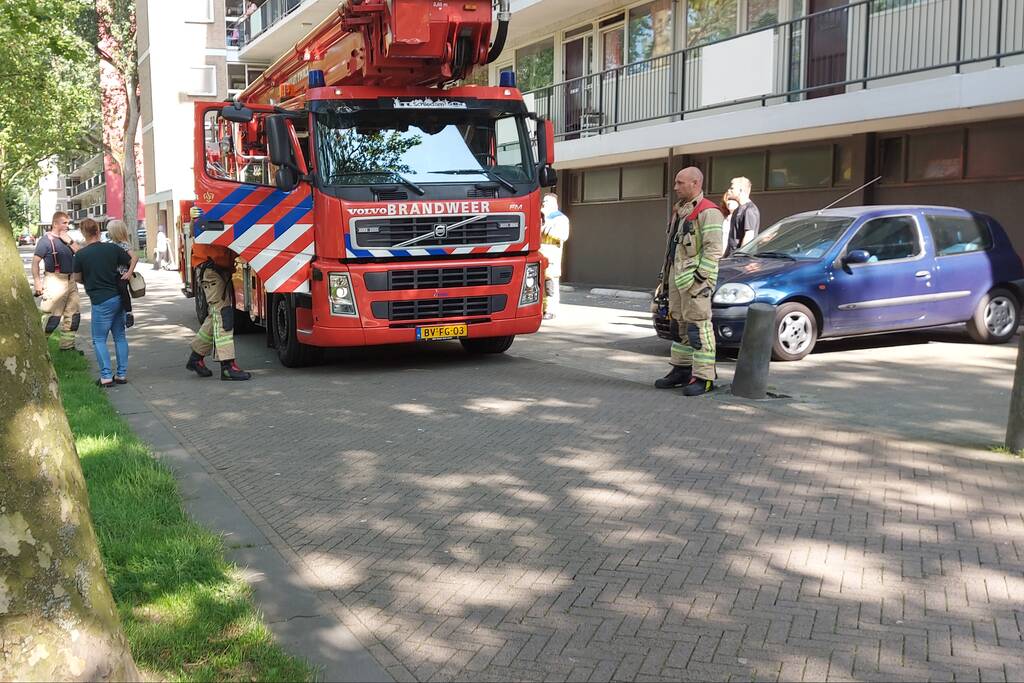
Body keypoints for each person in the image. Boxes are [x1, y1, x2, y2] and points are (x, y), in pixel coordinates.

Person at [654, 167, 725, 396]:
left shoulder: (709, 212)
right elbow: (673, 249)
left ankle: (704, 377)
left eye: (679, 182)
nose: (675, 187)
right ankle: (681, 370)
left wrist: (700, 278)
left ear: (695, 183)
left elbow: (714, 250)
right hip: (678, 278)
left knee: (698, 327)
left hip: (694, 282)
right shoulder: (681, 211)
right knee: (679, 325)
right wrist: (665, 279)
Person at [71, 219, 134, 387]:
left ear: (83, 233)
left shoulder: (81, 255)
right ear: (98, 231)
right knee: (120, 336)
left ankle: (106, 376)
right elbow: (131, 260)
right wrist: (127, 274)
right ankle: (121, 374)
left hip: (100, 300)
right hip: (118, 297)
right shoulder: (113, 248)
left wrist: (89, 281)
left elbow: (77, 278)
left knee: (99, 339)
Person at [186, 258, 252, 381]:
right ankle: (227, 366)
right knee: (223, 315)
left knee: (215, 315)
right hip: (213, 269)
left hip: (215, 268)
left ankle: (196, 358)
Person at [32, 211, 83, 354]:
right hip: (54, 281)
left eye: (68, 223)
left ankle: (67, 347)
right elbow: (35, 262)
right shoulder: (45, 241)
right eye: (64, 223)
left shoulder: (67, 239)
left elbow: (80, 254)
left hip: (71, 280)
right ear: (55, 224)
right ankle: (38, 349)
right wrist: (37, 283)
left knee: (73, 316)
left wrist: (70, 241)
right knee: (51, 318)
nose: (67, 225)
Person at [539, 193, 570, 320]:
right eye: (543, 201)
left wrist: (546, 229)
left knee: (549, 284)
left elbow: (563, 236)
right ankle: (539, 309)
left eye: (547, 201)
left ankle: (550, 310)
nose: (544, 203)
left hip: (551, 256)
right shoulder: (540, 217)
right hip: (539, 255)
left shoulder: (561, 219)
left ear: (554, 203)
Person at [727, 176, 761, 253]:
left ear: (740, 190)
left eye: (732, 188)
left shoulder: (750, 210)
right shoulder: (737, 210)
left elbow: (749, 236)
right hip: (732, 259)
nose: (729, 190)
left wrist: (740, 255)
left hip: (741, 261)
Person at [720, 191, 739, 256]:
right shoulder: (724, 219)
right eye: (727, 200)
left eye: (732, 199)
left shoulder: (740, 217)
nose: (729, 202)